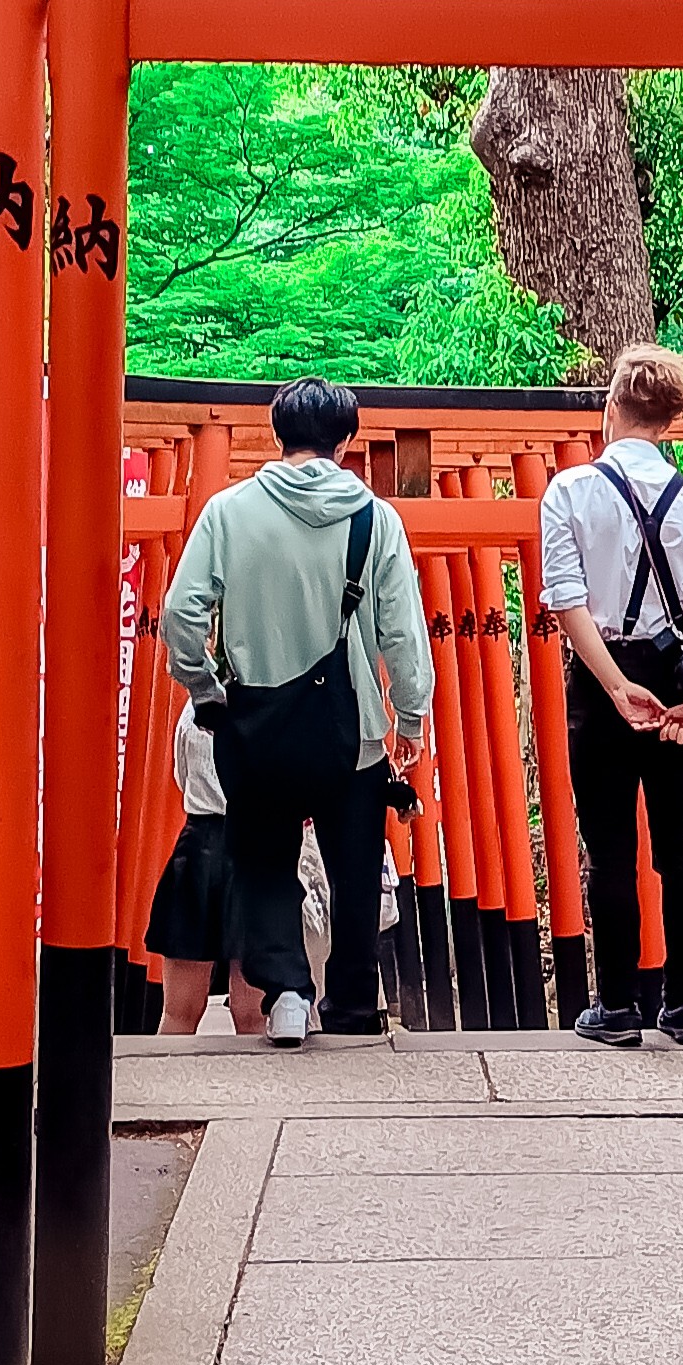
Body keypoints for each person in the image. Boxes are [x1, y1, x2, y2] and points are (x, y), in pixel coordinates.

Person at [163, 376, 434, 1046]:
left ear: (278, 433)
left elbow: (178, 615)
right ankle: (348, 1006)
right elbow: (402, 633)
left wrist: (204, 689)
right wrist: (411, 718)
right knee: (350, 865)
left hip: (256, 729)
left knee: (263, 860)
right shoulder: (376, 520)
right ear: (345, 440)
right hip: (355, 735)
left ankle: (287, 997)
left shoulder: (228, 512)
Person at [537, 344, 683, 1047]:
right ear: (674, 418)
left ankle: (616, 1005)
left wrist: (616, 686)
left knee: (610, 848)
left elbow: (567, 602)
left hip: (602, 681)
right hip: (680, 671)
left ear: (611, 409)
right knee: (680, 847)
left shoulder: (569, 492)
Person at [146, 709, 267, 1035]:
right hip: (256, 847)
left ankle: (166, 1082)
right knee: (254, 1014)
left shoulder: (192, 712)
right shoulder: (276, 704)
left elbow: (181, 776)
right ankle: (257, 1086)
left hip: (200, 845)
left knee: (178, 1013)